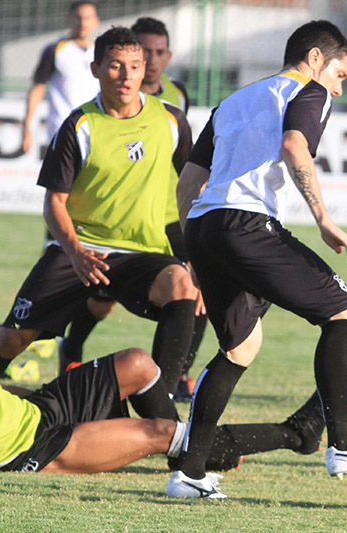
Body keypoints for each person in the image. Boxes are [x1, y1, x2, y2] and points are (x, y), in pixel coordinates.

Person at [167, 20, 347, 499]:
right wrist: (323, 219)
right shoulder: (308, 90)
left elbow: (186, 184)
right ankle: (345, 443)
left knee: (240, 348)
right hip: (246, 226)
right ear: (316, 58)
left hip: (204, 227)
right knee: (346, 314)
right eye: (340, 74)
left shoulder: (233, 101)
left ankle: (189, 475)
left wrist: (193, 252)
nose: (338, 88)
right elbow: (295, 145)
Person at [0, 271, 326, 478]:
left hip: (41, 411)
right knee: (161, 430)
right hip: (30, 450)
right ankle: (295, 434)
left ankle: (189, 451)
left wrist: (31, 397)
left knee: (139, 362)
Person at [0, 27, 199, 397]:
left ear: (145, 70)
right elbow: (54, 203)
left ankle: (163, 405)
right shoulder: (79, 126)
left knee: (182, 286)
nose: (126, 76)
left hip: (143, 252)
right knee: (12, 340)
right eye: (115, 66)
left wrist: (194, 258)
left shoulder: (172, 120)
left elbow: (193, 189)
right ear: (95, 69)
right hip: (83, 251)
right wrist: (76, 252)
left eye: (134, 66)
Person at [54, 17, 203, 401]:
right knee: (102, 299)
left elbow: (191, 164)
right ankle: (72, 347)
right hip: (111, 225)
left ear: (166, 57)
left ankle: (173, 381)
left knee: (193, 289)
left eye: (156, 54)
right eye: (142, 53)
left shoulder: (176, 100)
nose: (149, 62)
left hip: (170, 216)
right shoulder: (94, 114)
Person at [22, 1, 101, 155]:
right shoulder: (56, 49)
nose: (83, 22)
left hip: (94, 127)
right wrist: (27, 126)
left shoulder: (100, 52)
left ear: (96, 21)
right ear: (69, 19)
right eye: (78, 17)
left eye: (88, 18)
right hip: (62, 127)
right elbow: (38, 87)